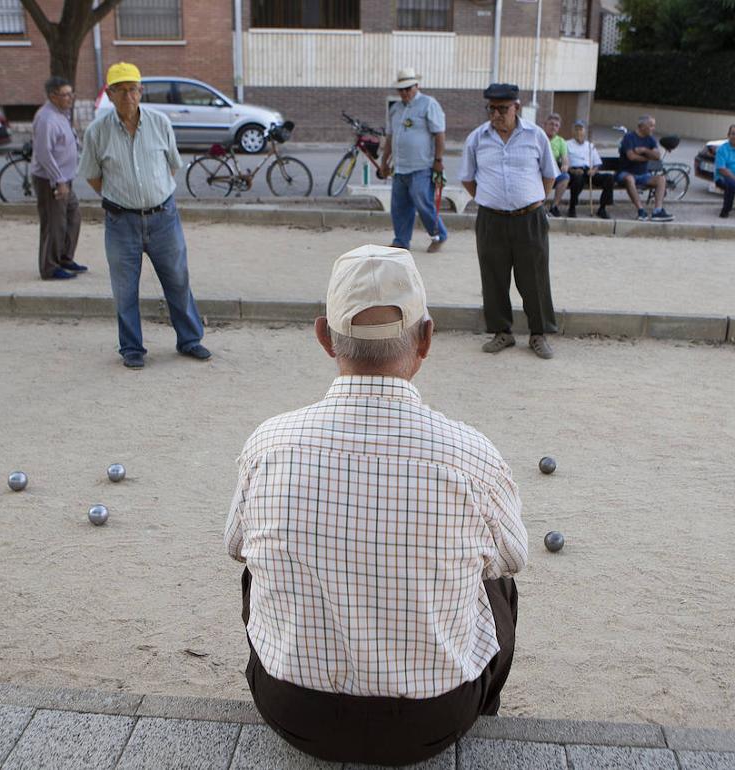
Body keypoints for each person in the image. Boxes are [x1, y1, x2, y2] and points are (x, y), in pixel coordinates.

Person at [225, 244, 526, 766]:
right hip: (434, 720)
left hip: (293, 712)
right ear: (427, 338)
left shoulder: (268, 444)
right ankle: (485, 708)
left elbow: (234, 545)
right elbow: (512, 557)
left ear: (324, 336)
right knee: (497, 583)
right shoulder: (471, 454)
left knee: (257, 567)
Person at [78, 62, 211, 368]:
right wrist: (123, 199)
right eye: (120, 90)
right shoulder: (97, 132)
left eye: (133, 89)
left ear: (141, 91)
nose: (128, 96)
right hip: (120, 222)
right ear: (109, 95)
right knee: (124, 288)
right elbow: (93, 176)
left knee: (178, 280)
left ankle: (190, 340)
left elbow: (172, 165)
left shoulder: (160, 122)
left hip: (164, 218)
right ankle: (132, 348)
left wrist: (152, 194)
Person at [460, 83, 559, 359]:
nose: (496, 115)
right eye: (491, 109)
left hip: (529, 218)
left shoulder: (536, 136)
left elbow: (549, 175)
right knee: (493, 276)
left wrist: (534, 199)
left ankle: (538, 335)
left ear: (516, 107)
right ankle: (502, 332)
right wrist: (491, 199)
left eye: (502, 109)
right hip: (491, 220)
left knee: (535, 278)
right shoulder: (477, 139)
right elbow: (468, 178)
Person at [380, 68, 448, 253]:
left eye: (408, 88)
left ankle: (439, 235)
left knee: (423, 202)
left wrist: (438, 159)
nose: (404, 93)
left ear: (417, 86)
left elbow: (439, 134)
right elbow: (390, 137)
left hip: (422, 166)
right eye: (401, 89)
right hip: (400, 167)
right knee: (399, 206)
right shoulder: (395, 109)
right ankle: (401, 241)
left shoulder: (428, 104)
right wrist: (384, 162)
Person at [30, 76, 85, 280]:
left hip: (65, 177)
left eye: (72, 93)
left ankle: (64, 257)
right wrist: (59, 181)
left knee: (73, 216)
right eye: (66, 94)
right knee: (54, 223)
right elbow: (44, 154)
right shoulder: (47, 119)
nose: (71, 97)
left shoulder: (61, 113)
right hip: (51, 180)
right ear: (53, 96)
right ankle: (49, 267)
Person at [616, 115, 673, 222]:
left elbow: (657, 156)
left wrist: (644, 150)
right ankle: (641, 211)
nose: (653, 128)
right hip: (626, 172)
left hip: (643, 174)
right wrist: (647, 158)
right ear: (642, 126)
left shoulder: (650, 139)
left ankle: (658, 211)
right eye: (651, 125)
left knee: (661, 179)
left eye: (654, 126)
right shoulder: (629, 138)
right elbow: (631, 156)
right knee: (629, 179)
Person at [565, 119, 612, 219]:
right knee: (577, 179)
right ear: (572, 131)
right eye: (576, 129)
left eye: (581, 129)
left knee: (609, 178)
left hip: (589, 172)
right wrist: (573, 170)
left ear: (585, 131)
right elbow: (565, 164)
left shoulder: (590, 146)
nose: (578, 132)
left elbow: (597, 163)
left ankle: (602, 208)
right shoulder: (567, 144)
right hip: (575, 172)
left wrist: (594, 170)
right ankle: (572, 207)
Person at [542, 112, 570, 216]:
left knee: (565, 177)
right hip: (538, 171)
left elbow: (565, 158)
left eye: (556, 125)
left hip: (553, 171)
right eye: (551, 124)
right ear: (545, 125)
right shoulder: (540, 136)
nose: (553, 127)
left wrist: (565, 165)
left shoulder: (561, 141)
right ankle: (539, 206)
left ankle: (554, 206)